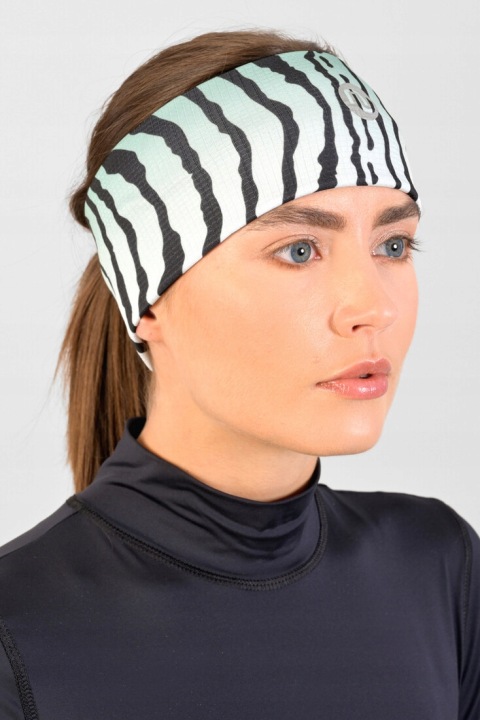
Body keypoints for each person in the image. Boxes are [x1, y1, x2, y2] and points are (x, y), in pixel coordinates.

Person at [0, 28, 478, 720]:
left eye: (393, 244)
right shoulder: (18, 634)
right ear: (149, 300)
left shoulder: (439, 569)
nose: (373, 306)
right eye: (299, 250)